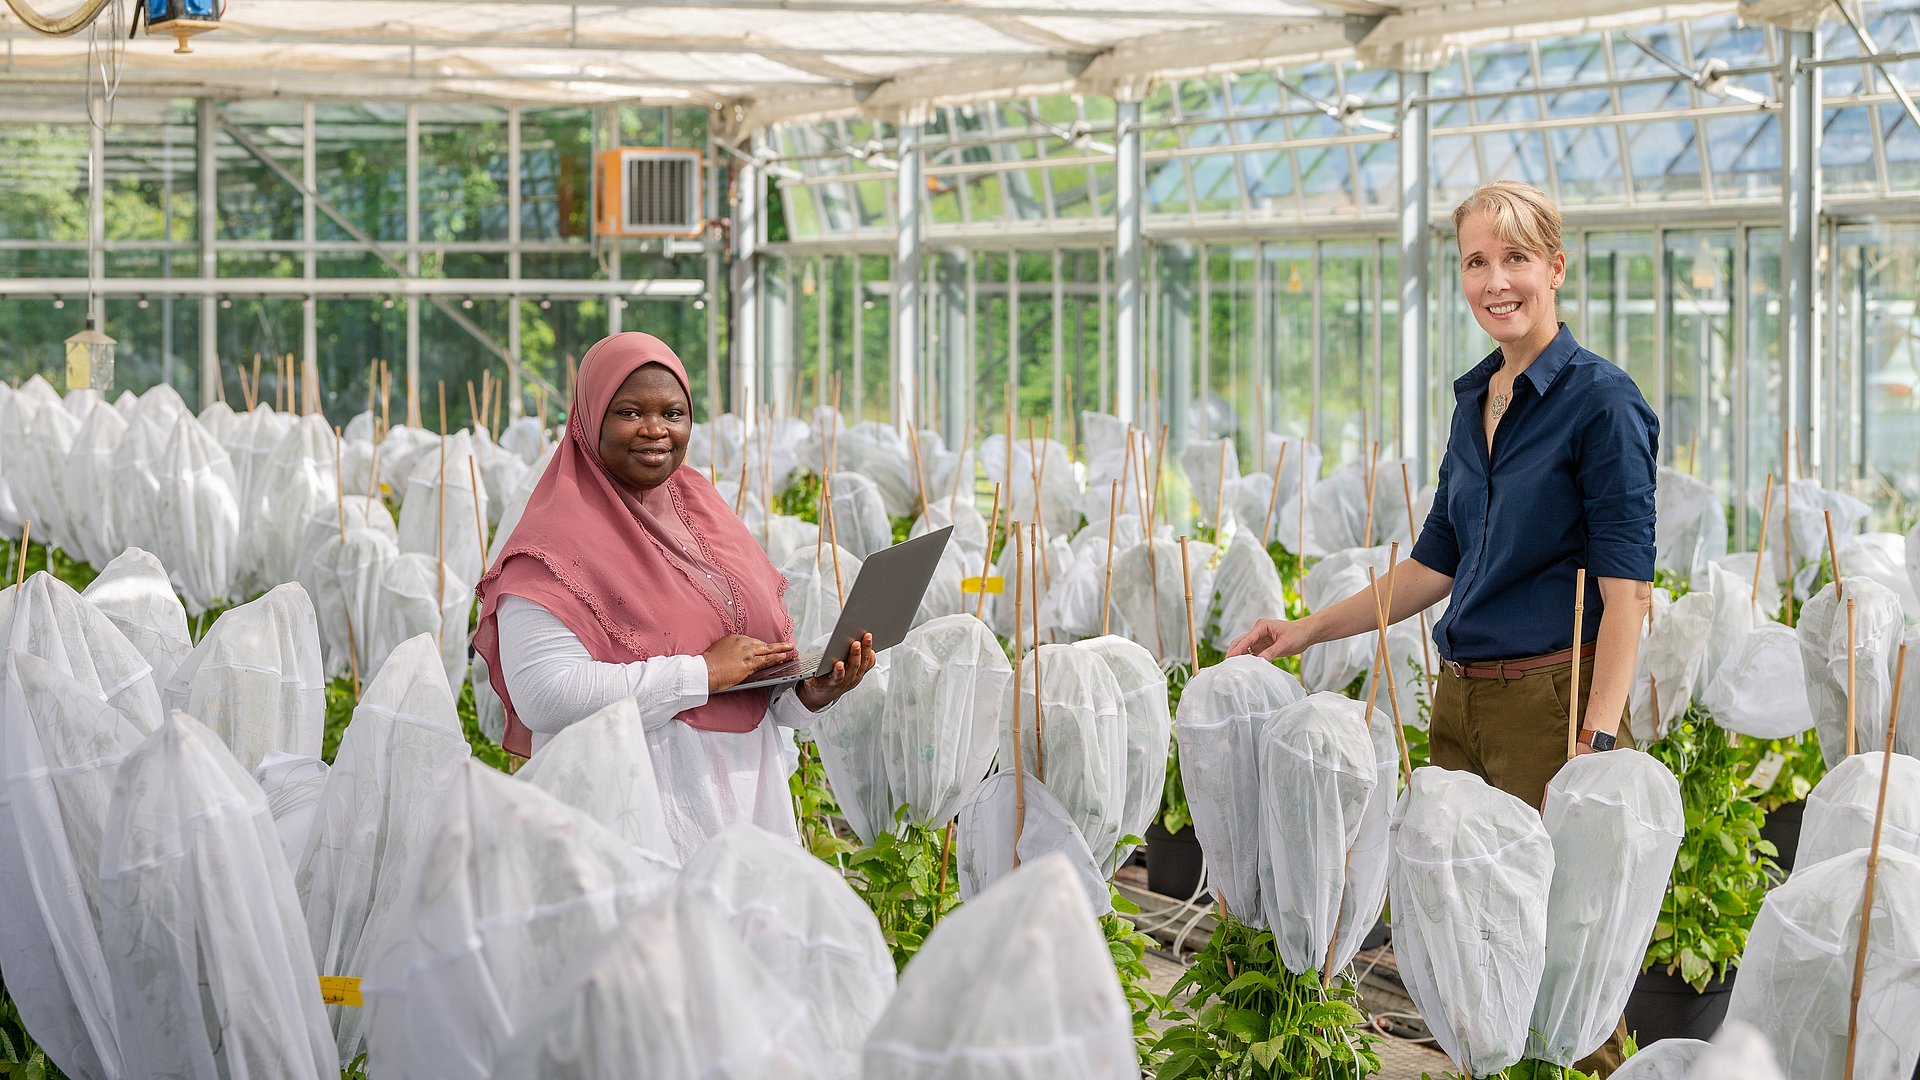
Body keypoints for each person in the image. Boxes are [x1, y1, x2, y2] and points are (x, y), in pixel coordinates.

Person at [1229, 179, 1657, 1072]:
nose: (1495, 281)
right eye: (1475, 261)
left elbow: (1629, 596)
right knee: (1470, 949)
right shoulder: (1477, 401)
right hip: (1460, 701)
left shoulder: (1602, 405)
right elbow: (1436, 561)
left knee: (1557, 959)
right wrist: (1306, 630)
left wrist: (1598, 737)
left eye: (1514, 259)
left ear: (1555, 268)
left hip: (1552, 702)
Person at [473, 331, 873, 860]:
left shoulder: (700, 508)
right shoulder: (552, 543)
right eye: (630, 412)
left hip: (745, 804)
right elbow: (546, 697)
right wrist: (701, 672)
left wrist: (805, 697)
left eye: (674, 413)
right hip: (633, 815)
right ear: (589, 418)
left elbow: (743, 678)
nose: (655, 429)